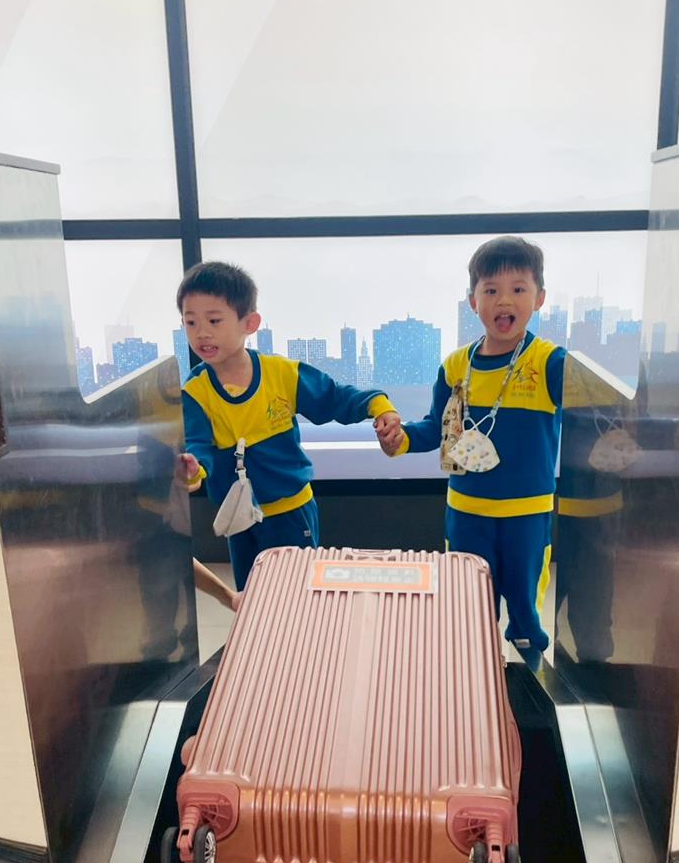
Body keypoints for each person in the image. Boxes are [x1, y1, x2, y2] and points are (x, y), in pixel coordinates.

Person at [376, 236, 565, 670]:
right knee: (469, 609)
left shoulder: (549, 362)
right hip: (466, 513)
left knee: (525, 612)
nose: (504, 300)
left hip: (526, 515)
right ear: (473, 301)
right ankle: (474, 682)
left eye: (518, 289)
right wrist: (399, 441)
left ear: (539, 298)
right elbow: (434, 429)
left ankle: (527, 687)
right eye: (491, 289)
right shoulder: (456, 365)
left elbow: (593, 417)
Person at [176, 261, 401, 589]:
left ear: (249, 323)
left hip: (291, 512)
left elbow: (334, 397)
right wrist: (194, 471)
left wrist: (377, 405)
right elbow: (198, 445)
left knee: (298, 594)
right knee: (252, 594)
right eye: (190, 322)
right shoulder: (195, 391)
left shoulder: (281, 374)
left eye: (214, 320)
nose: (202, 333)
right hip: (240, 516)